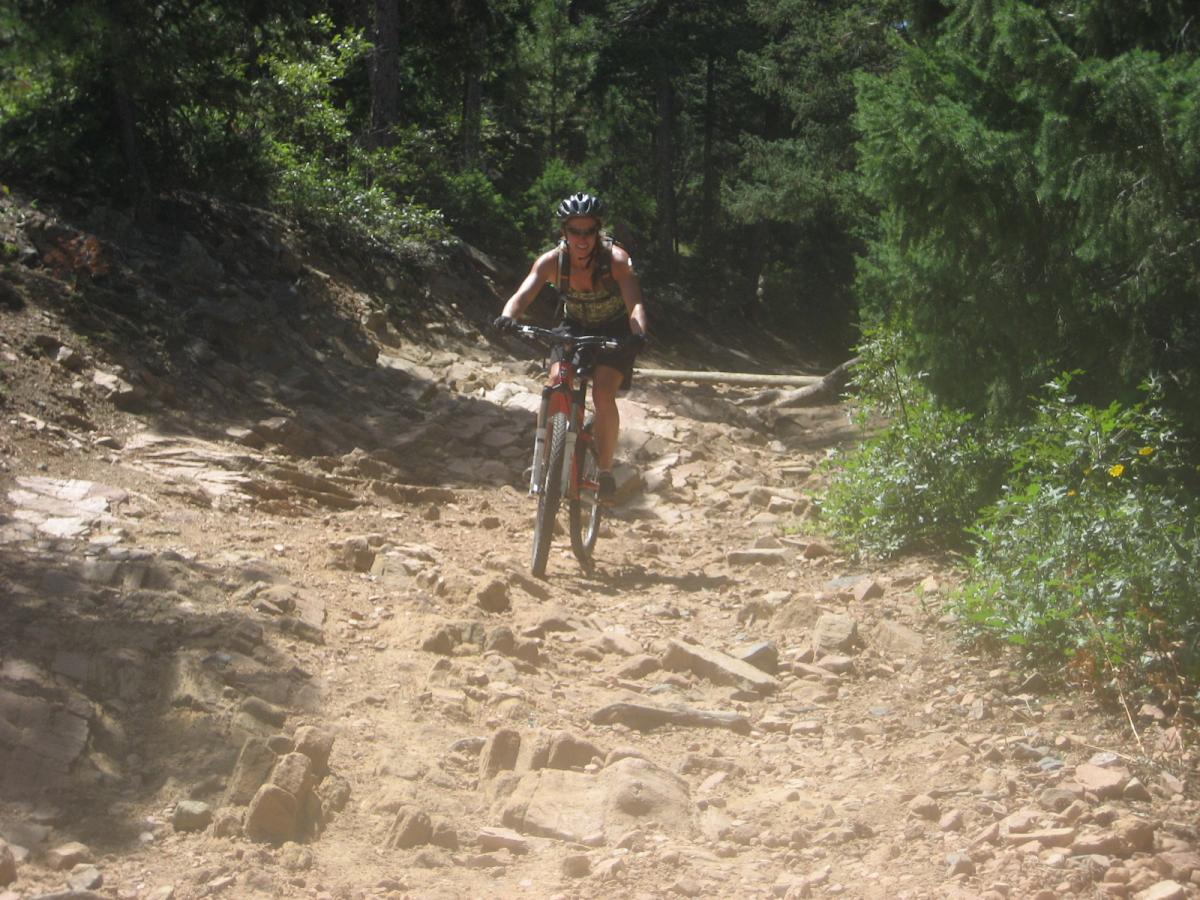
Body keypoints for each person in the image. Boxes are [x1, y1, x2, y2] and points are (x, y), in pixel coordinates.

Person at [494, 192, 648, 504]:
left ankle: (604, 472)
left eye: (588, 231)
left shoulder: (616, 260)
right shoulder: (552, 261)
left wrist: (638, 333)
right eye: (574, 231)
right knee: (555, 383)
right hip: (573, 326)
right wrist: (507, 317)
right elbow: (523, 294)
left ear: (598, 231)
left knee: (603, 393)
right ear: (563, 231)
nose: (582, 238)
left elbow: (635, 305)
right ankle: (546, 458)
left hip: (614, 329)